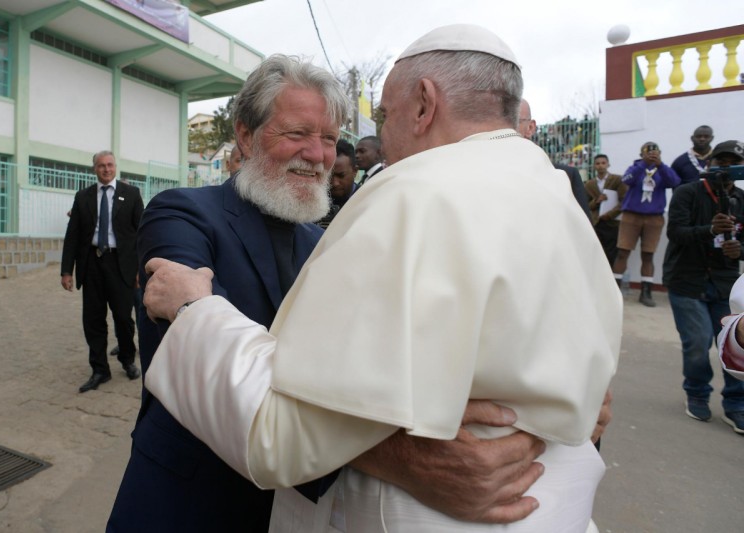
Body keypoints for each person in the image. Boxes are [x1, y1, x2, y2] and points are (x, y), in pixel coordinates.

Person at [144, 25, 621, 532]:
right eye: (297, 133)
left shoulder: (411, 196)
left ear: (423, 105)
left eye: (330, 138)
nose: (320, 154)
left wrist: (196, 310)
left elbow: (283, 435)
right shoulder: (554, 196)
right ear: (245, 134)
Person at [663, 140, 744, 434]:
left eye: (732, 162)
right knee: (698, 342)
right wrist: (709, 230)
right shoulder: (687, 193)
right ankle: (697, 394)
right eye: (720, 161)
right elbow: (676, 232)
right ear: (709, 163)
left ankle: (736, 404)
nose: (725, 167)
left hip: (726, 285)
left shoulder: (742, 200)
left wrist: (740, 251)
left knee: (737, 344)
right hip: (687, 281)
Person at [60, 151, 143, 392]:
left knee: (123, 319)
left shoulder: (131, 194)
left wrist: (140, 269)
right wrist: (67, 271)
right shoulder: (83, 196)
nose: (106, 169)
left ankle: (127, 360)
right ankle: (99, 370)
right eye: (101, 166)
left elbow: (142, 233)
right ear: (94, 169)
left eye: (110, 165)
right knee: (93, 320)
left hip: (121, 266)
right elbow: (72, 235)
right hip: (92, 264)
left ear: (115, 167)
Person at [612, 142, 681, 307]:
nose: (651, 155)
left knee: (648, 255)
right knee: (622, 252)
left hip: (653, 218)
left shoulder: (663, 170)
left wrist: (660, 165)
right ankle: (615, 290)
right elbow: (626, 180)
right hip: (631, 216)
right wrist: (643, 165)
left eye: (655, 152)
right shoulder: (635, 168)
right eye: (648, 152)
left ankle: (646, 291)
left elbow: (675, 182)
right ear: (641, 154)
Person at [517, 99, 590, 219]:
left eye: (512, 122)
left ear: (530, 127)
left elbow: (583, 233)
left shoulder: (567, 177)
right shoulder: (480, 175)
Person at [584, 154, 628, 266]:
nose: (601, 166)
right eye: (598, 163)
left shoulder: (618, 180)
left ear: (608, 164)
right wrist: (596, 201)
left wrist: (610, 215)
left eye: (603, 163)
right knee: (597, 251)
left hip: (612, 222)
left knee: (612, 252)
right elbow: (586, 204)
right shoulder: (589, 184)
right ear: (594, 166)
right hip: (597, 222)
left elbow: (624, 201)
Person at [317, 140, 359, 228]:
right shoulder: (315, 200)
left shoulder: (367, 201)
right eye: (328, 176)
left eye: (341, 175)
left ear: (355, 171)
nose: (334, 183)